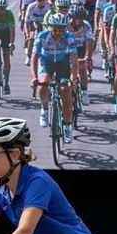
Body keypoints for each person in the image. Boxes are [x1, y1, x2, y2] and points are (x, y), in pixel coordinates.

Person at [31, 13, 78, 145]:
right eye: (55, 29)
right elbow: (34, 58)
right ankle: (44, 108)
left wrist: (73, 78)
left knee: (66, 95)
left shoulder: (69, 37)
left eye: (61, 30)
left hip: (62, 63)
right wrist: (34, 77)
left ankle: (68, 127)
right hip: (46, 62)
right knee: (44, 81)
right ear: (50, 28)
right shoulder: (42, 36)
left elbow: (74, 60)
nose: (58, 33)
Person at [69, 5, 93, 106]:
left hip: (81, 48)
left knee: (82, 67)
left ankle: (84, 92)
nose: (81, 20)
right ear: (72, 18)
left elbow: (89, 41)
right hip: (69, 48)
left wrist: (87, 56)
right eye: (79, 18)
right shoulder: (65, 25)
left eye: (83, 18)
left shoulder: (86, 25)